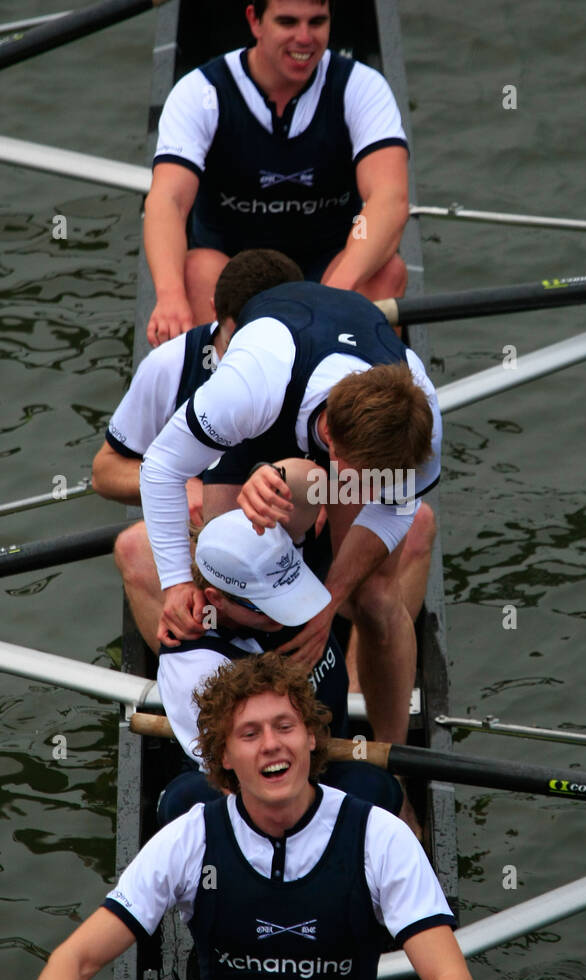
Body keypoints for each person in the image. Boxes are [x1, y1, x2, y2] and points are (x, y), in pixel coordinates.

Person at [15, 654, 477, 980]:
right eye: (250, 734)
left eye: (285, 726)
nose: (272, 745)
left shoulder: (378, 836)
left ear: (312, 737)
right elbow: (77, 958)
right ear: (224, 757)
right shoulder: (190, 838)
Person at [139, 266, 442, 744]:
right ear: (331, 446)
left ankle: (393, 756)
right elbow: (159, 467)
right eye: (355, 482)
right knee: (225, 565)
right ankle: (246, 717)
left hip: (340, 372)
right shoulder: (246, 391)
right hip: (279, 380)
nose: (355, 495)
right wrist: (175, 584)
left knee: (378, 598)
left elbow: (394, 508)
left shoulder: (420, 424)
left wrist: (331, 601)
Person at [144, 0, 410, 346]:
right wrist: (168, 297)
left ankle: (348, 398)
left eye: (317, 22)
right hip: (234, 273)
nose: (304, 38)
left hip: (331, 267)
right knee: (195, 271)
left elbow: (389, 198)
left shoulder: (360, 87)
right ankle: (231, 390)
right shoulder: (201, 92)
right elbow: (168, 201)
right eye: (287, 22)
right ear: (255, 21)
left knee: (388, 273)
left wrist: (328, 296)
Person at [91, 250, 303, 650]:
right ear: (214, 313)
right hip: (203, 537)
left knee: (410, 525)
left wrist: (323, 494)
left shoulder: (316, 363)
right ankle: (200, 682)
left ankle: (355, 688)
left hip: (294, 533)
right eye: (238, 341)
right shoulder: (172, 364)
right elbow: (103, 472)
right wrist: (183, 484)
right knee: (134, 546)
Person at [157, 507, 404, 822]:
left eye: (289, 589)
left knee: (380, 790)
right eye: (266, 605)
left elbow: (313, 484)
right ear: (216, 599)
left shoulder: (280, 547)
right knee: (187, 806)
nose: (289, 611)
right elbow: (240, 785)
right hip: (251, 783)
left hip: (324, 759)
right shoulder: (196, 667)